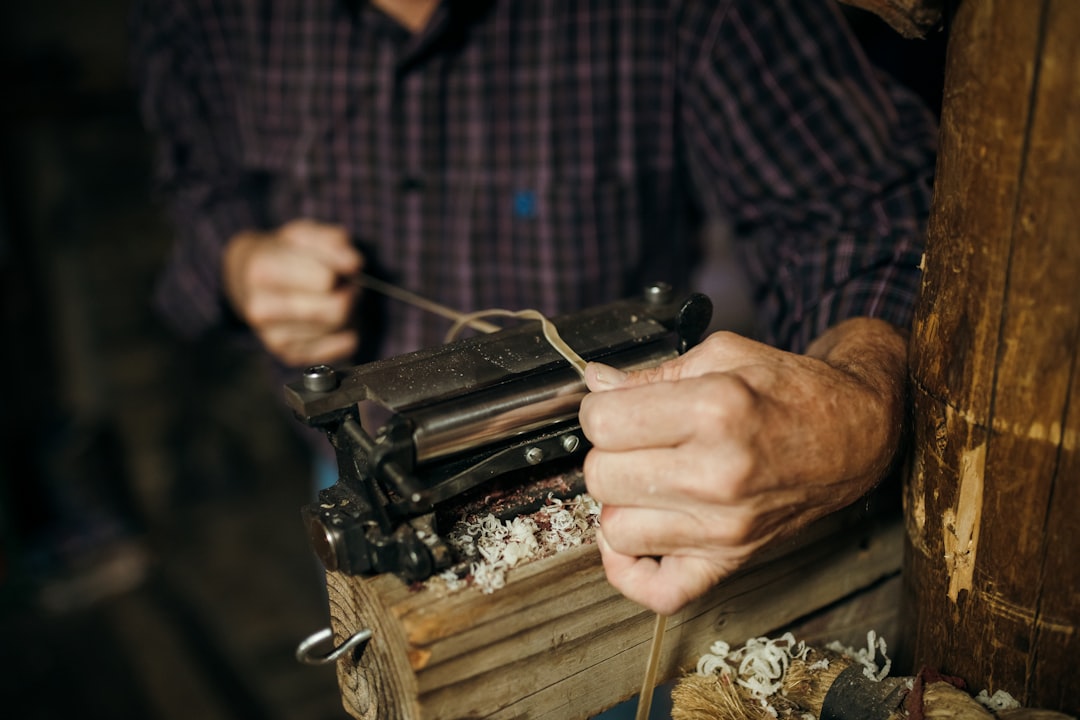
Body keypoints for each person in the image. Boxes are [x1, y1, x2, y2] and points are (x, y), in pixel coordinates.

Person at [130, 0, 936, 616]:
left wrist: (858, 402)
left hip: (634, 498)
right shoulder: (205, 13)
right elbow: (194, 190)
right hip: (373, 484)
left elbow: (863, 209)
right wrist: (237, 260)